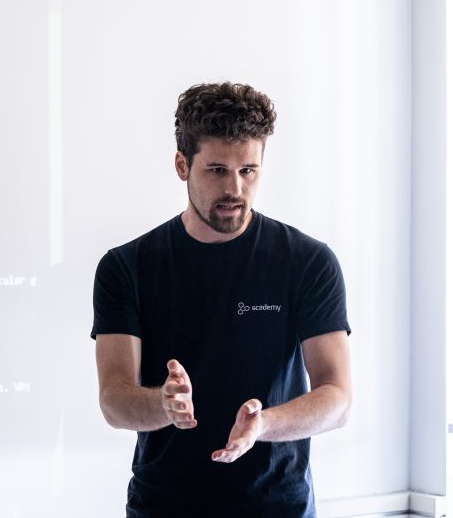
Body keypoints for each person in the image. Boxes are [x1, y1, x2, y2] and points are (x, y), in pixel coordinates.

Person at [91, 82, 352, 517]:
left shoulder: (307, 262)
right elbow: (114, 401)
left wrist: (263, 424)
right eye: (216, 170)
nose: (235, 188)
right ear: (182, 164)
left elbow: (337, 398)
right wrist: (163, 404)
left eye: (248, 171)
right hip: (164, 506)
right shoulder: (127, 267)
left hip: (278, 507)